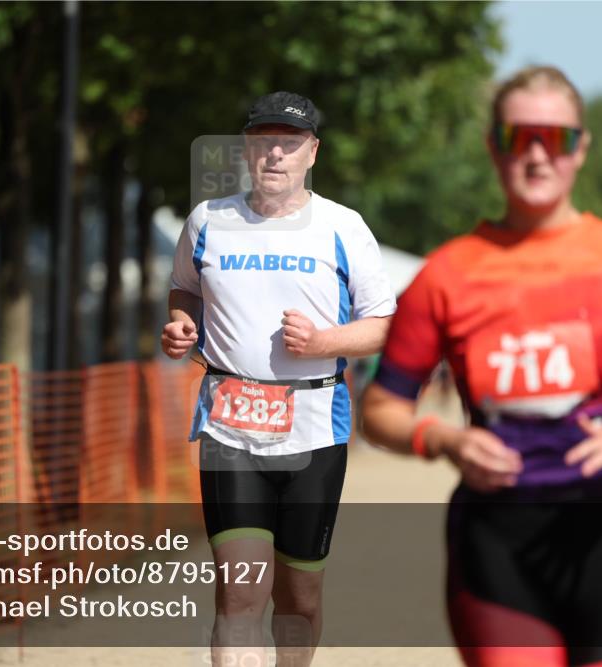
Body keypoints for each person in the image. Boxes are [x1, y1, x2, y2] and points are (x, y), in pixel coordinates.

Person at [360, 66, 602, 667]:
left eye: (557, 138)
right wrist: (443, 439)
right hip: (497, 547)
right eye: (519, 137)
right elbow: (381, 410)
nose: (538, 155)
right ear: (493, 146)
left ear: (582, 148)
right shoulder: (445, 275)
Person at [162, 91, 395, 666]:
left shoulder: (343, 227)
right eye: (264, 141)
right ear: (246, 148)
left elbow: (384, 326)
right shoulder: (208, 221)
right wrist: (182, 325)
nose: (275, 154)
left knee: (298, 599)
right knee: (240, 594)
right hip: (230, 429)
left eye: (289, 144)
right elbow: (184, 289)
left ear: (312, 152)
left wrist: (323, 342)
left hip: (314, 431)